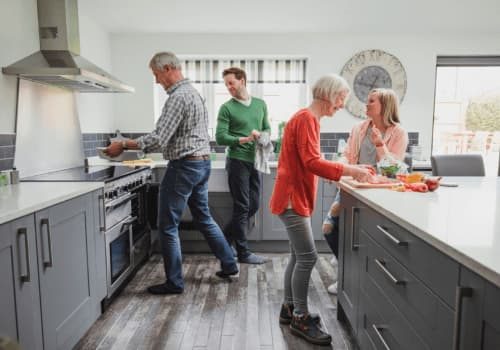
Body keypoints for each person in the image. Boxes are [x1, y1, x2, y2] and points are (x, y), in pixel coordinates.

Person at [105, 51, 238, 295]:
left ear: (167, 69)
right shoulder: (194, 94)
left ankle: (174, 282)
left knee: (167, 225)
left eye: (156, 75)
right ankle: (230, 265)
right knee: (203, 217)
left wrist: (123, 144)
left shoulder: (178, 97)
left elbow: (158, 139)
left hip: (185, 166)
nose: (156, 81)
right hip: (201, 164)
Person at [269, 74, 374, 345]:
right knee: (308, 257)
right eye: (341, 99)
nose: (341, 105)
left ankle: (289, 308)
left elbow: (310, 160)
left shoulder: (306, 118)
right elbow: (312, 161)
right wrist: (349, 169)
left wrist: (340, 170)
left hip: (293, 197)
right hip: (292, 199)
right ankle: (301, 318)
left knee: (297, 255)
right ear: (328, 94)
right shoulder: (307, 119)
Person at [323, 87, 408, 295]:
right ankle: (345, 264)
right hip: (353, 185)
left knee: (363, 237)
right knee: (329, 228)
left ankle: (349, 276)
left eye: (371, 101)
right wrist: (338, 169)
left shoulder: (398, 133)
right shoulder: (359, 128)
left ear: (384, 106)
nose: (366, 104)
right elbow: (347, 154)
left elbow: (393, 168)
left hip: (379, 191)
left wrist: (380, 144)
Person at [216, 67, 271, 264]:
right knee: (242, 207)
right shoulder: (227, 108)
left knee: (253, 204)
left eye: (231, 83)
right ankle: (243, 253)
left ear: (242, 80)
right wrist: (245, 139)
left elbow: (267, 129)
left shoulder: (260, 104)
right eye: (226, 84)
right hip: (237, 160)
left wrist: (262, 136)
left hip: (255, 160)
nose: (229, 87)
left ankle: (221, 241)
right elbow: (220, 137)